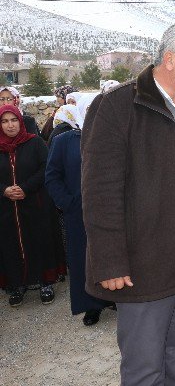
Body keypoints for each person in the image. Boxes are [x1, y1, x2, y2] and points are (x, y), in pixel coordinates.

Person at [81, 23, 175, 385]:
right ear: (170, 59)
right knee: (145, 364)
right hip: (142, 259)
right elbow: (100, 190)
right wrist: (109, 259)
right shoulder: (118, 106)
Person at [45, 95, 112, 326]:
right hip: (78, 212)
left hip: (109, 211)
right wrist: (68, 202)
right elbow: (52, 175)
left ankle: (113, 297)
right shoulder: (64, 140)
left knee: (110, 254)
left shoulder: (112, 138)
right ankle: (91, 304)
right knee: (82, 257)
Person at [0, 105, 65, 306]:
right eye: (4, 121)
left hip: (34, 202)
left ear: (21, 121)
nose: (10, 125)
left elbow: (47, 167)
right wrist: (4, 190)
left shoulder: (34, 142)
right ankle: (17, 284)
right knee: (10, 245)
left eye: (14, 120)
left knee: (39, 240)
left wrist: (25, 188)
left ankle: (45, 282)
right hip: (6, 207)